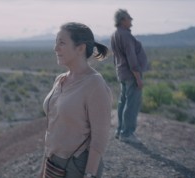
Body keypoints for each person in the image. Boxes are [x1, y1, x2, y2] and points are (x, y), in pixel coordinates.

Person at [40, 22, 112, 178]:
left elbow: (100, 138)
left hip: (76, 166)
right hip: (53, 162)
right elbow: (53, 125)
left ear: (80, 48)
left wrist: (89, 174)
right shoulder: (60, 79)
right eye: (56, 42)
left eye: (62, 43)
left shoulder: (95, 84)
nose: (55, 48)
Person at [111, 9, 149, 143]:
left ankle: (120, 130)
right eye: (129, 18)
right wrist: (138, 77)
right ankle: (127, 134)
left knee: (123, 102)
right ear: (122, 20)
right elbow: (132, 58)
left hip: (122, 73)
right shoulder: (126, 36)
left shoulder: (115, 34)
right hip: (131, 74)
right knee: (132, 103)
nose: (131, 20)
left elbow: (115, 57)